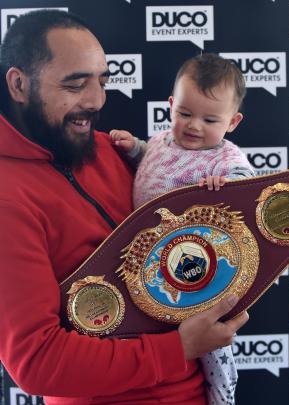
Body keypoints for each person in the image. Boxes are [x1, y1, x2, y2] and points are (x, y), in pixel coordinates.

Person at [0, 10, 249, 405]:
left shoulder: (110, 149)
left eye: (102, 81)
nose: (97, 100)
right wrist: (177, 349)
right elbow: (37, 362)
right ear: (19, 84)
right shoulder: (7, 196)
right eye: (75, 84)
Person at [109, 53, 254, 404]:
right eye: (185, 113)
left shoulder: (225, 158)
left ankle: (222, 395)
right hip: (148, 256)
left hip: (195, 264)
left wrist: (227, 183)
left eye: (209, 119)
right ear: (171, 105)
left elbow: (248, 181)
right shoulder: (161, 140)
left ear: (232, 122)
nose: (194, 126)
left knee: (210, 344)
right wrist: (134, 149)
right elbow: (150, 158)